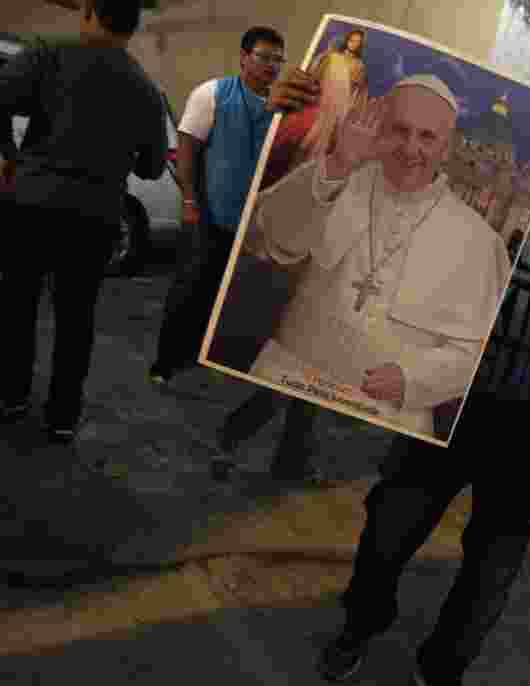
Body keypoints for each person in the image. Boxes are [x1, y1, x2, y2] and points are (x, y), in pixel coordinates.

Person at [265, 67, 530, 686]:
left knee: (494, 567)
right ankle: (361, 624)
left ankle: (443, 667)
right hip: (444, 399)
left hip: (529, 423)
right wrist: (288, 110)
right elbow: (317, 202)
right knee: (387, 533)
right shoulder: (465, 190)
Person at [241, 73, 510, 439]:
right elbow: (264, 236)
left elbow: (475, 351)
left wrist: (412, 380)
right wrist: (336, 165)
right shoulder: (336, 177)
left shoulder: (481, 243)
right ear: (380, 129)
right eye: (400, 130)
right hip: (291, 372)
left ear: (446, 148)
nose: (410, 148)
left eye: (427, 137)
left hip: (390, 420)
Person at [0, 0, 167, 441]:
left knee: (18, 305)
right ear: (134, 25)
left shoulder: (47, 52)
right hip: (95, 217)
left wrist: (11, 156)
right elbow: (151, 168)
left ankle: (12, 396)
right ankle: (62, 417)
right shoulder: (145, 88)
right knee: (77, 319)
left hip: (32, 205)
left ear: (89, 12)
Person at [149, 26, 286, 385]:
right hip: (209, 214)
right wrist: (190, 200)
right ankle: (164, 362)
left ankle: (199, 354)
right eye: (264, 57)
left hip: (251, 225)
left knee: (222, 294)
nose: (272, 66)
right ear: (243, 57)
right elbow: (187, 148)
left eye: (278, 60)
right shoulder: (212, 93)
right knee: (189, 288)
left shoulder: (280, 109)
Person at [261, 28, 368, 189]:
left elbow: (357, 94)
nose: (354, 44)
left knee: (323, 150)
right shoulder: (330, 56)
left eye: (358, 43)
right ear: (347, 40)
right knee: (299, 140)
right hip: (317, 104)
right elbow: (314, 76)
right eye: (352, 40)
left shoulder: (359, 66)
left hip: (338, 112)